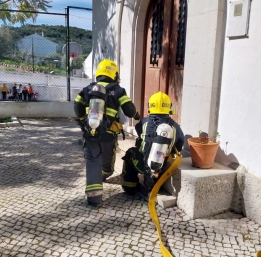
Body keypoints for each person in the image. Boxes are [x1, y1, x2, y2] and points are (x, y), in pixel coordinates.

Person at [74, 59, 140, 207]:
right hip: (108, 134)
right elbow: (129, 110)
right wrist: (136, 115)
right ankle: (105, 173)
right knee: (107, 160)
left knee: (92, 161)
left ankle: (94, 198)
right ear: (114, 74)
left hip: (90, 133)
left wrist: (85, 120)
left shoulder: (87, 89)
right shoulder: (118, 90)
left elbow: (77, 107)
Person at [120, 91, 184, 194]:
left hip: (140, 163)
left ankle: (129, 185)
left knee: (130, 153)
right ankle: (154, 181)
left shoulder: (144, 122)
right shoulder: (175, 127)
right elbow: (180, 144)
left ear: (150, 106)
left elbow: (139, 131)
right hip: (160, 166)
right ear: (169, 107)